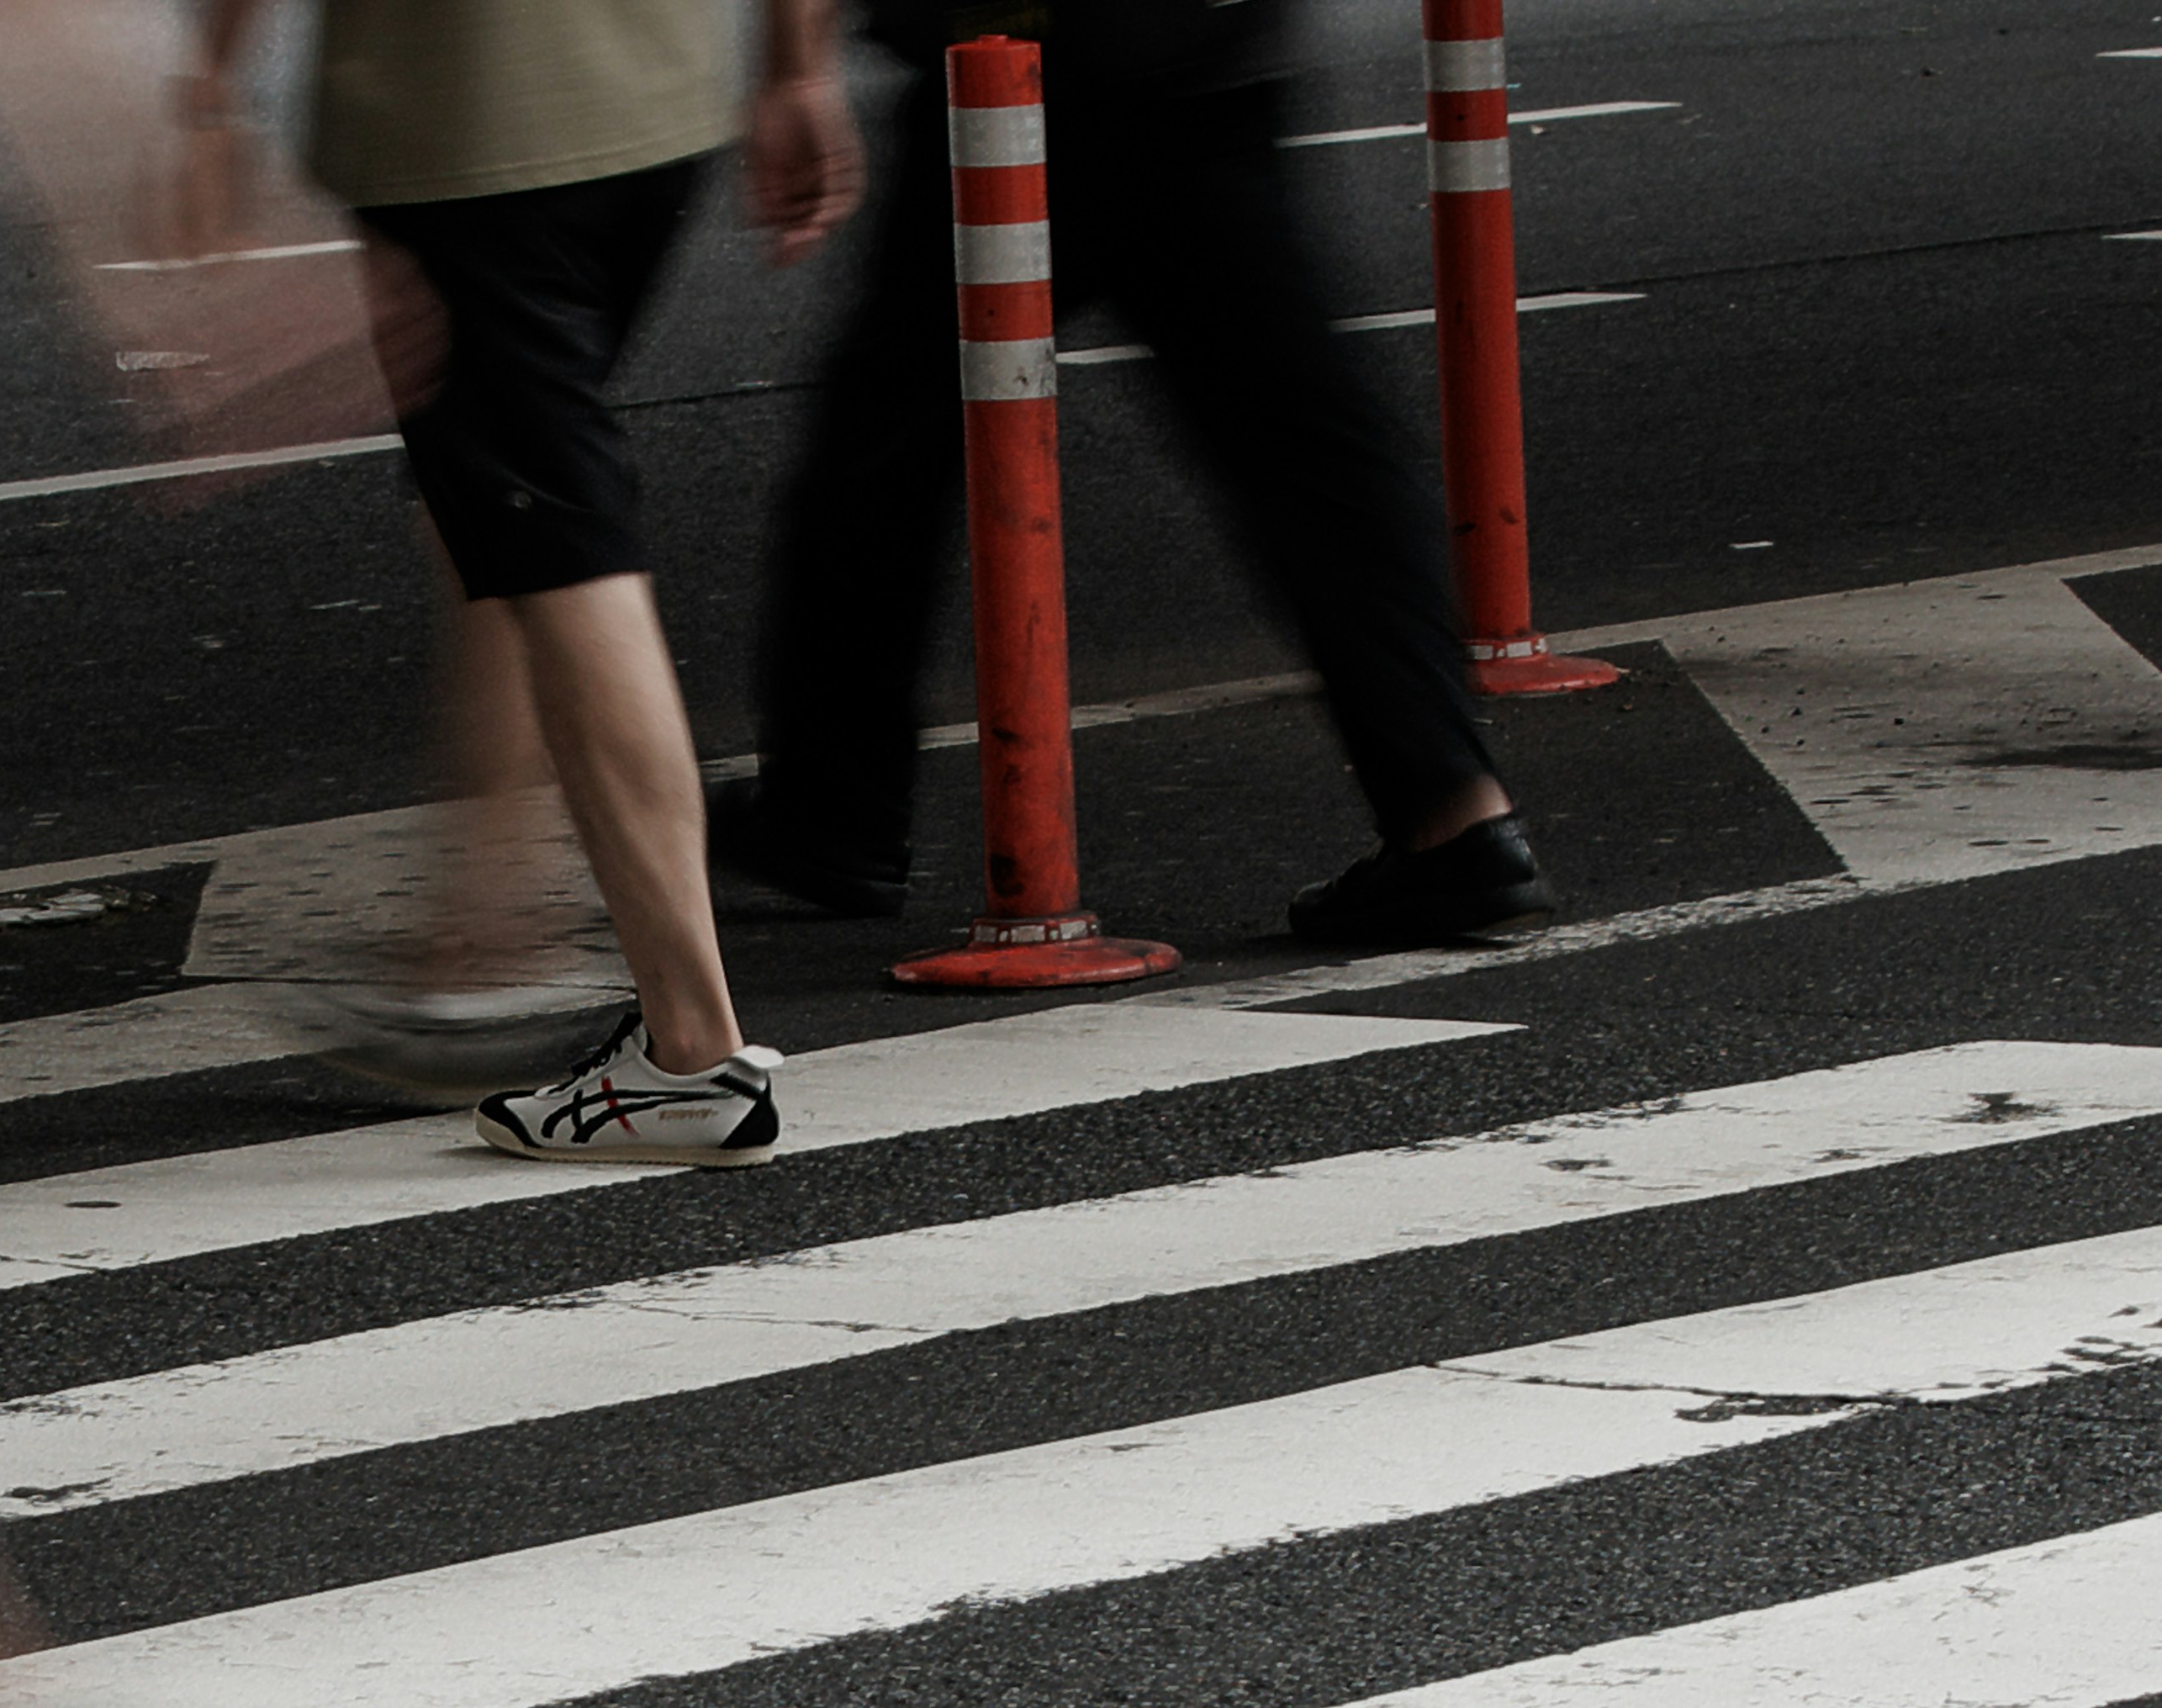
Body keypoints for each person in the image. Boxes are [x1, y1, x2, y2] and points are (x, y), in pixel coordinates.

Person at [711, 0, 1561, 946]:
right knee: (1314, 451)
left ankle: (832, 805)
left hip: (1031, 54)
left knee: (881, 453)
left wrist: (795, 68)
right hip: (1202, 53)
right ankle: (1450, 804)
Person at [180, 0, 864, 1163]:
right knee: (498, 513)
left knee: (556, 550)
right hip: (654, 102)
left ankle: (691, 1046)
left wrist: (203, 95)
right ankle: (485, 926)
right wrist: (797, 66)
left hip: (469, 140)